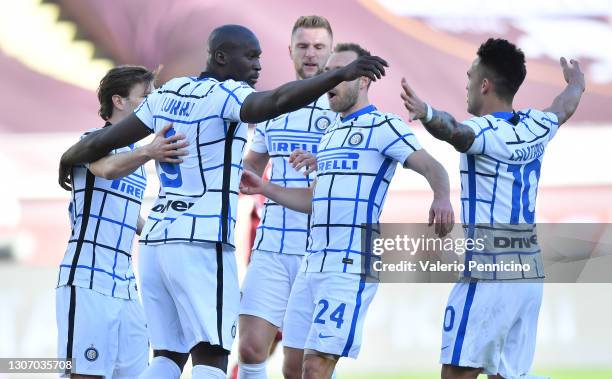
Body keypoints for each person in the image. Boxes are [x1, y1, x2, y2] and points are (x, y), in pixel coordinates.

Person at [57, 25, 387, 379]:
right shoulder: (227, 95)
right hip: (201, 243)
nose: (258, 65)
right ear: (220, 57)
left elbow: (101, 142)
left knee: (168, 355)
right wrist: (338, 74)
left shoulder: (167, 94)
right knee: (212, 357)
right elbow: (274, 102)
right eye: (250, 56)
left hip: (155, 244)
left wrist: (67, 158)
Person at [239, 43, 454, 379]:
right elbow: (316, 200)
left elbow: (432, 166)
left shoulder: (384, 126)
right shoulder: (329, 134)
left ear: (364, 81)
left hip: (349, 266)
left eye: (340, 75)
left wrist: (441, 197)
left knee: (315, 367)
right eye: (327, 75)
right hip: (311, 265)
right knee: (293, 368)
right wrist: (265, 188)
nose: (330, 82)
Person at [399, 38, 585, 379]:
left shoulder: (485, 132)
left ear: (484, 84)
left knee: (457, 374)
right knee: (505, 375)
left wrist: (425, 112)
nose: (467, 84)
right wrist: (577, 83)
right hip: (528, 274)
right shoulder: (536, 125)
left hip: (489, 272)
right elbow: (565, 105)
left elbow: (454, 131)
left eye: (471, 76)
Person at [56, 65, 188, 378]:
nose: (153, 104)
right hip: (86, 278)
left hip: (126, 285)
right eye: (145, 97)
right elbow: (106, 170)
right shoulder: (92, 140)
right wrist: (149, 151)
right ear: (119, 101)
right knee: (84, 373)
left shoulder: (138, 159)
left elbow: (131, 216)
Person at [237, 15, 336, 379]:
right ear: (290, 50)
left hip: (319, 252)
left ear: (330, 52)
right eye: (304, 46)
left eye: (319, 47)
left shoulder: (341, 110)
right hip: (271, 246)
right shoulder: (272, 107)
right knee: (249, 348)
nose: (311, 54)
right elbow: (251, 164)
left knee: (300, 367)